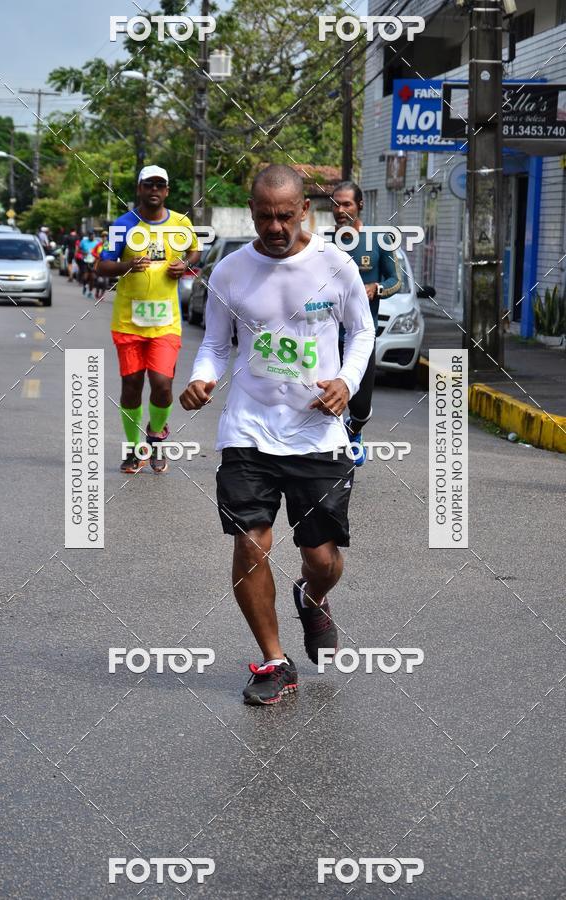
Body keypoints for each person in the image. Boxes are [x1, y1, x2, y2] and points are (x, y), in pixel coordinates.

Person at [180, 164, 375, 705]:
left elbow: (362, 332)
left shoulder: (335, 266)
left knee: (322, 557)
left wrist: (345, 381)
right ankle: (273, 660)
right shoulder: (230, 272)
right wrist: (202, 379)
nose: (274, 226)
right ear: (252, 212)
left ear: (303, 212)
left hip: (316, 434)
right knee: (250, 542)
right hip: (248, 428)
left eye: (285, 216)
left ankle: (313, 598)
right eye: (264, 216)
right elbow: (216, 344)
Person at [97, 165, 200, 474]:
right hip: (128, 321)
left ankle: (155, 437)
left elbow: (195, 250)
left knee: (161, 384)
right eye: (148, 185)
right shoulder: (123, 224)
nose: (154, 190)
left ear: (166, 190)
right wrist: (127, 265)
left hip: (166, 323)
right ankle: (132, 450)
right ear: (139, 189)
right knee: (131, 384)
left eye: (160, 185)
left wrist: (184, 263)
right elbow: (102, 266)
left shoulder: (181, 223)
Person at [331, 181, 401, 465]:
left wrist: (377, 289)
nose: (340, 210)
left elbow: (396, 280)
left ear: (360, 205)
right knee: (323, 397)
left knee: (360, 406)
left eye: (346, 203)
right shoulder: (322, 244)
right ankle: (328, 448)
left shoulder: (378, 240)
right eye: (335, 203)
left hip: (361, 335)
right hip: (326, 335)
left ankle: (354, 430)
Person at [79, 229, 101, 299]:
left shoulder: (97, 243)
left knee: (92, 277)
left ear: (94, 235)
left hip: (93, 262)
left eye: (93, 235)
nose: (92, 236)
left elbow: (100, 251)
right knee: (85, 276)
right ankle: (85, 285)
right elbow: (79, 249)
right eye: (90, 235)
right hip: (85, 261)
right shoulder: (83, 241)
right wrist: (83, 253)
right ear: (88, 236)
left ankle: (90, 292)